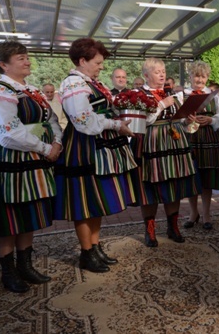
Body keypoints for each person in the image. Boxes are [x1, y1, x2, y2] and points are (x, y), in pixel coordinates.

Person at [0, 41, 63, 293]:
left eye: (27, 56)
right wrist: (44, 148)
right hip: (10, 160)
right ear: (3, 64)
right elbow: (8, 134)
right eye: (21, 58)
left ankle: (25, 265)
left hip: (34, 158)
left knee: (28, 213)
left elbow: (50, 119)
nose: (28, 61)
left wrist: (56, 141)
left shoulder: (30, 89)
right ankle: (9, 272)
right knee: (7, 218)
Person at [54, 38, 138, 273]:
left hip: (99, 143)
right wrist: (115, 124)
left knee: (97, 199)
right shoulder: (73, 84)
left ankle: (95, 245)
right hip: (83, 146)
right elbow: (83, 121)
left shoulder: (91, 83)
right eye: (98, 62)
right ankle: (86, 252)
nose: (102, 67)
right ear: (82, 61)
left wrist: (118, 121)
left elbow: (99, 113)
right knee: (84, 200)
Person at [131, 58, 201, 247]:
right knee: (150, 189)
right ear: (146, 75)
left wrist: (187, 121)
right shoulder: (138, 94)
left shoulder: (174, 94)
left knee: (174, 186)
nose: (162, 74)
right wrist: (162, 104)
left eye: (163, 71)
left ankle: (173, 226)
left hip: (175, 143)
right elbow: (141, 121)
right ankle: (150, 229)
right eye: (157, 72)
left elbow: (181, 122)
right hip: (152, 144)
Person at [181, 61, 219, 230]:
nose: (200, 79)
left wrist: (211, 120)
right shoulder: (183, 95)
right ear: (190, 76)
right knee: (192, 177)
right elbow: (176, 119)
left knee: (207, 178)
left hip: (210, 139)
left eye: (203, 76)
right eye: (196, 75)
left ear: (207, 77)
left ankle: (207, 213)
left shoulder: (214, 96)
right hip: (190, 139)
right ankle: (193, 212)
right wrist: (186, 120)